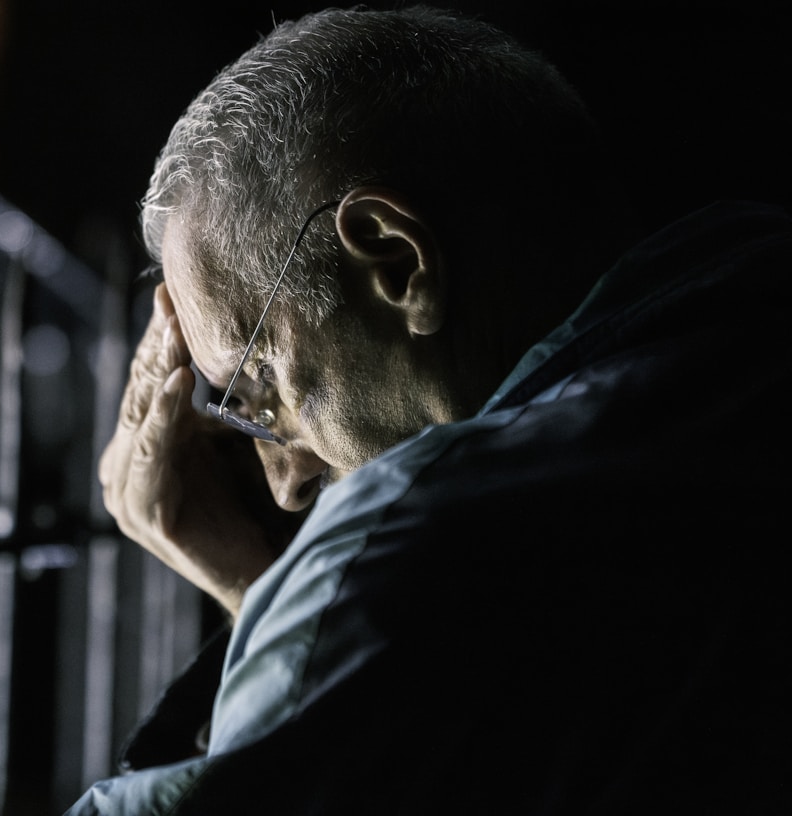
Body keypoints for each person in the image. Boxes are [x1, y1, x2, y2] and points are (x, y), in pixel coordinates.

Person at [70, 6, 792, 813]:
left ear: (393, 259)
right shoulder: (747, 340)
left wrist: (309, 593)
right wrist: (269, 592)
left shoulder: (417, 533)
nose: (285, 485)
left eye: (260, 387)